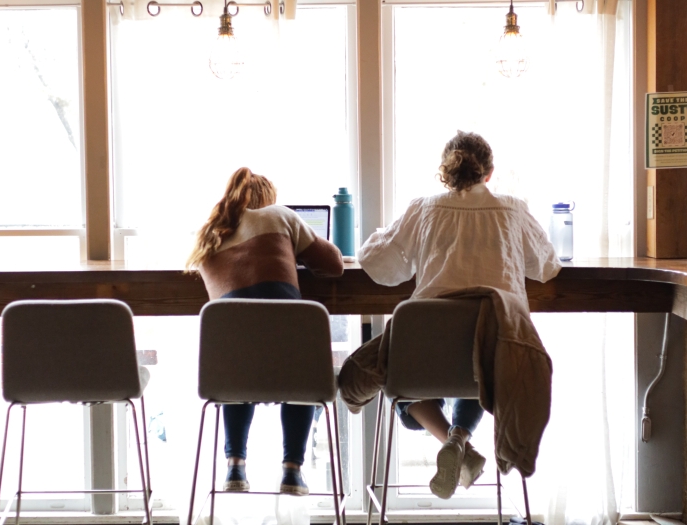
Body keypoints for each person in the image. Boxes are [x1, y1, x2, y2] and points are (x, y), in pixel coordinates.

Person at [344, 131, 561, 499]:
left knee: (399, 368)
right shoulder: (513, 208)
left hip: (424, 358)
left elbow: (378, 263)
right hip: (494, 359)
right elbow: (547, 267)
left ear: (446, 170)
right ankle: (459, 440)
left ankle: (453, 443)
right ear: (488, 173)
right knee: (482, 361)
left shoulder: (423, 208)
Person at [186, 167, 344, 496]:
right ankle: (292, 470)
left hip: (231, 376)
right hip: (292, 371)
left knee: (240, 350)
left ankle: (235, 466)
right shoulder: (279, 215)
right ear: (266, 201)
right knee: (302, 362)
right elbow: (334, 264)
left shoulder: (206, 237)